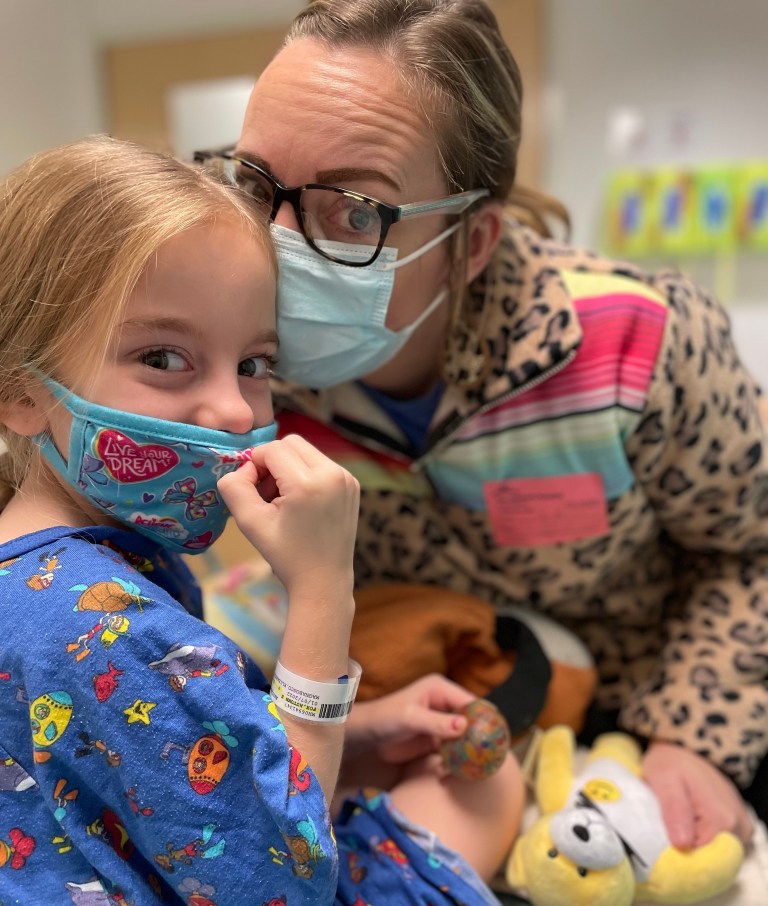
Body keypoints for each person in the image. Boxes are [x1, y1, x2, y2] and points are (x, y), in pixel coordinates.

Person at [0, 135, 633, 906]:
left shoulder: (38, 571)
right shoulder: (104, 622)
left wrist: (359, 733)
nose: (233, 410)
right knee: (482, 788)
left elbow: (127, 769)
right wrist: (325, 586)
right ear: (20, 391)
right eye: (164, 359)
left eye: (254, 366)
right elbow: (283, 900)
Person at [196, 0, 768, 852]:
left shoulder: (637, 346)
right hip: (409, 718)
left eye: (353, 211)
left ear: (470, 243)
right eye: (253, 184)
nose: (276, 245)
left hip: (627, 720)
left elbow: (750, 546)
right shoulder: (242, 367)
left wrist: (694, 734)